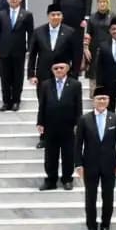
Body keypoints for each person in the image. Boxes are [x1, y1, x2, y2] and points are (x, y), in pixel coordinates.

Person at [74, 89, 116, 230]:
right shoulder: (84, 119)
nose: (102, 101)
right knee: (90, 197)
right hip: (90, 164)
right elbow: (78, 144)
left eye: (104, 98)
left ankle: (105, 226)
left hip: (109, 164)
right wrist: (78, 164)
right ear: (93, 100)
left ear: (108, 100)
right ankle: (91, 227)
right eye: (99, 99)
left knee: (108, 197)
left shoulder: (115, 118)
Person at [28, 4, 77, 148]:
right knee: (44, 105)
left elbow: (75, 54)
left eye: (58, 14)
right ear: (48, 16)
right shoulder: (38, 32)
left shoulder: (70, 32)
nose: (56, 17)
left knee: (65, 105)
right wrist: (31, 74)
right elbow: (32, 55)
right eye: (53, 15)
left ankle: (66, 135)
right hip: (43, 75)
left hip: (64, 75)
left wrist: (73, 73)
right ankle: (44, 136)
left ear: (62, 16)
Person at [37, 61, 83, 190]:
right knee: (50, 154)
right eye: (55, 68)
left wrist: (78, 123)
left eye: (61, 68)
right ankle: (51, 180)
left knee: (68, 153)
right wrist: (40, 122)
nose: (58, 70)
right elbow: (42, 105)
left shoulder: (75, 84)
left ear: (67, 69)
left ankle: (67, 179)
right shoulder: (46, 85)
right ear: (52, 70)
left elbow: (78, 106)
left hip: (68, 125)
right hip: (50, 125)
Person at [0, 0, 33, 111]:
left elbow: (31, 34)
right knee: (5, 78)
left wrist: (30, 49)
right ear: (7, 0)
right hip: (3, 51)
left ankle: (16, 101)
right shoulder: (0, 15)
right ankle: (6, 102)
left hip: (19, 51)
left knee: (18, 77)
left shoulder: (27, 15)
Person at [52, 0, 93, 72]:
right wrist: (55, 16)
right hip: (63, 19)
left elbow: (88, 0)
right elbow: (55, 0)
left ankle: (76, 71)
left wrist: (86, 18)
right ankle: (64, 69)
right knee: (63, 44)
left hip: (78, 20)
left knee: (77, 45)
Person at [85, 0, 115, 97]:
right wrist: (86, 48)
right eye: (100, 2)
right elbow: (88, 34)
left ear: (108, 3)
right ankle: (94, 94)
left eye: (104, 1)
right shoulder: (92, 18)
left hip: (109, 48)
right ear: (97, 4)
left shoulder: (113, 16)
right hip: (94, 48)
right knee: (94, 71)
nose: (102, 4)